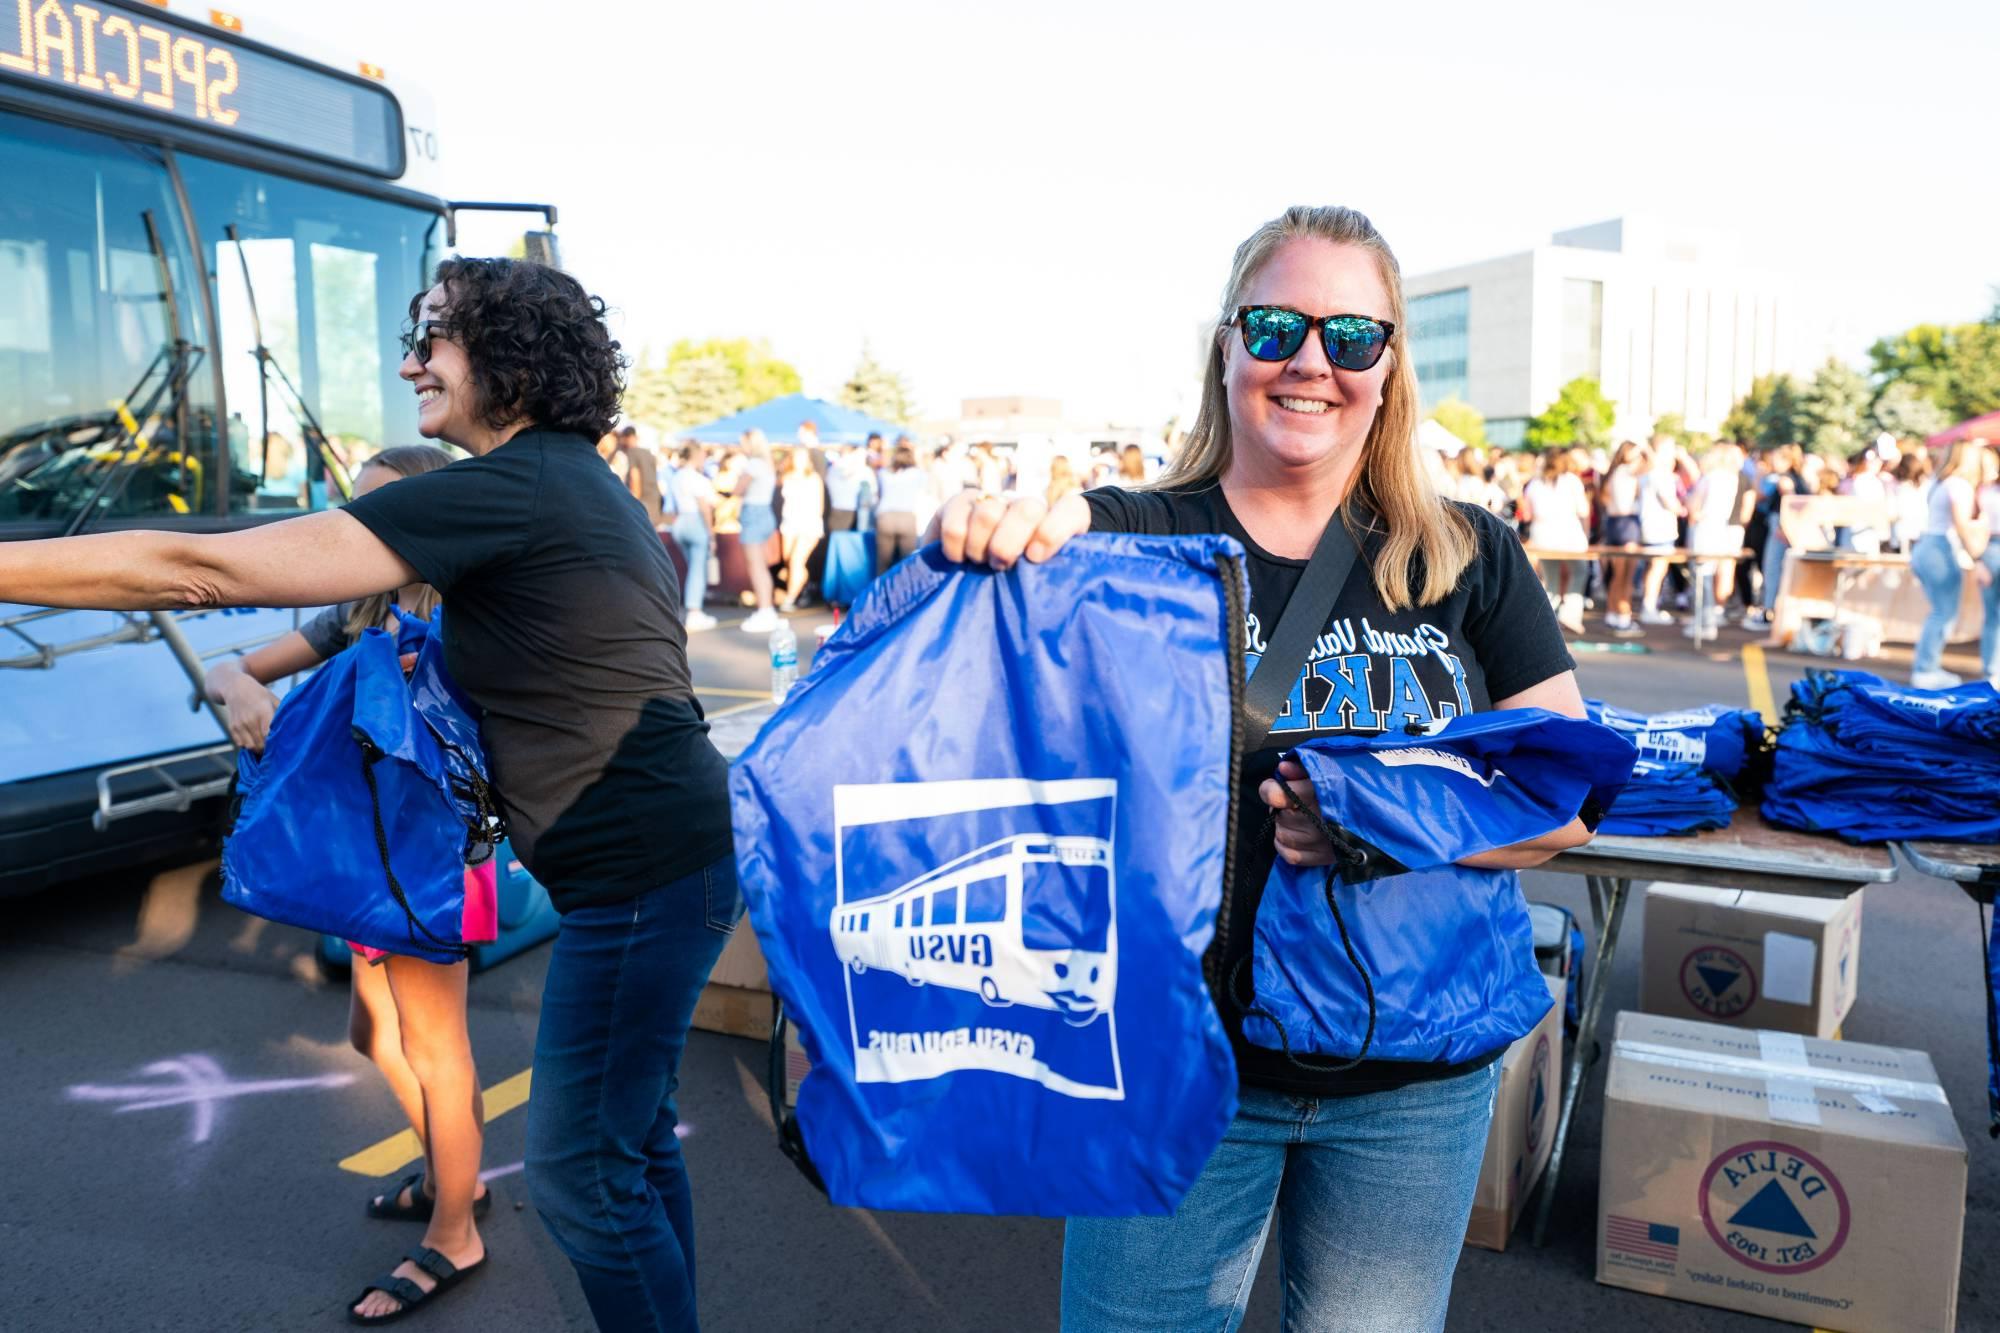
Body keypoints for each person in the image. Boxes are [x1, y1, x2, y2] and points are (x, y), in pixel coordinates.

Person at [1, 258, 736, 1331]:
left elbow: (194, 569)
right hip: (663, 865)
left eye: (431, 340)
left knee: (582, 1176)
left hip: (640, 879)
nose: (407, 364)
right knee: (626, 1144)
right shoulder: (580, 486)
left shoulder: (513, 487)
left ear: (511, 361)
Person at [930, 204, 1591, 1333]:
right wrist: (995, 529)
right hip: (1181, 1070)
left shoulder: (1466, 552)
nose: (1310, 363)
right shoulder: (1132, 540)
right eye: (1277, 324)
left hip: (1412, 1086)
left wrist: (1373, 817)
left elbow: (1562, 799)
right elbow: (998, 651)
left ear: (1389, 367)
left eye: (1350, 336)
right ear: (1227, 345)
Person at [200, 444, 496, 1320]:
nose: (359, 526)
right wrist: (234, 687)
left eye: (380, 511)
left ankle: (455, 1228)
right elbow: (236, 666)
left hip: (432, 862)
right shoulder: (359, 604)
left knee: (437, 1046)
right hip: (366, 853)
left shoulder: (474, 612)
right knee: (376, 1036)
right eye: (355, 510)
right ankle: (457, 1176)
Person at [1911, 440, 1992, 689]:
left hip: (1927, 546)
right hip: (1940, 548)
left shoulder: (1939, 481)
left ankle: (1927, 667)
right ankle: (1926, 668)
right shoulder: (1959, 485)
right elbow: (1961, 523)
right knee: (1943, 613)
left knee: (1939, 611)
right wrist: (1977, 558)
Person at [1519, 447, 1591, 633]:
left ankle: (1548, 616)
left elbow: (1528, 512)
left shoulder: (1535, 483)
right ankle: (1570, 613)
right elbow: (1583, 511)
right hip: (1569, 535)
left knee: (1551, 578)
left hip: (1542, 536)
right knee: (1579, 572)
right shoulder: (1572, 481)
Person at [1684, 442, 1750, 634]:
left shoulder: (1711, 478)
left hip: (1706, 530)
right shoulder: (1731, 479)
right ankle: (1707, 619)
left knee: (1702, 578)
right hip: (1720, 529)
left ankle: (1703, 622)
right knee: (1708, 577)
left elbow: (1694, 507)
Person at [1596, 440, 1647, 631]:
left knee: (1618, 574)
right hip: (1627, 523)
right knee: (1625, 575)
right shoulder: (1626, 472)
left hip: (1615, 523)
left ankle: (1613, 612)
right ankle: (1623, 616)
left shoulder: (1613, 474)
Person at [734, 429, 781, 633]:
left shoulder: (753, 464)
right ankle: (767, 609)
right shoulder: (767, 465)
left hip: (754, 514)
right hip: (765, 513)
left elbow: (738, 489)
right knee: (761, 565)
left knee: (756, 566)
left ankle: (764, 610)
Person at [670, 442, 719, 630]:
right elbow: (704, 507)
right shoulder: (697, 478)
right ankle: (695, 612)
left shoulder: (677, 477)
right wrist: (711, 534)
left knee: (693, 567)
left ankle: (692, 608)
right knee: (698, 569)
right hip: (695, 522)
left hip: (680, 522)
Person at [1635, 438, 1684, 624]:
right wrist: (1680, 508)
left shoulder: (1649, 473)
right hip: (1660, 528)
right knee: (1657, 569)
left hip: (1651, 526)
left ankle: (1650, 605)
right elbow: (1669, 502)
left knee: (1654, 568)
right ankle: (1649, 607)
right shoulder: (1659, 474)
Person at [775, 444, 826, 611]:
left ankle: (790, 598)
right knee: (789, 560)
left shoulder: (814, 478)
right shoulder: (787, 476)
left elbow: (819, 505)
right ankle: (802, 588)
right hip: (789, 523)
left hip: (808, 524)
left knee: (797, 560)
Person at [874, 442, 928, 571]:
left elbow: (879, 494)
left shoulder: (883, 473)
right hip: (907, 517)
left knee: (883, 562)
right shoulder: (917, 473)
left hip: (885, 517)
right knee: (907, 561)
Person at [1976, 444, 2000, 688]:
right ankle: (1992, 672)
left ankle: (1991, 672)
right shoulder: (1985, 492)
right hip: (1990, 547)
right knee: (1993, 617)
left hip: (1989, 549)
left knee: (1993, 617)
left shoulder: (1985, 492)